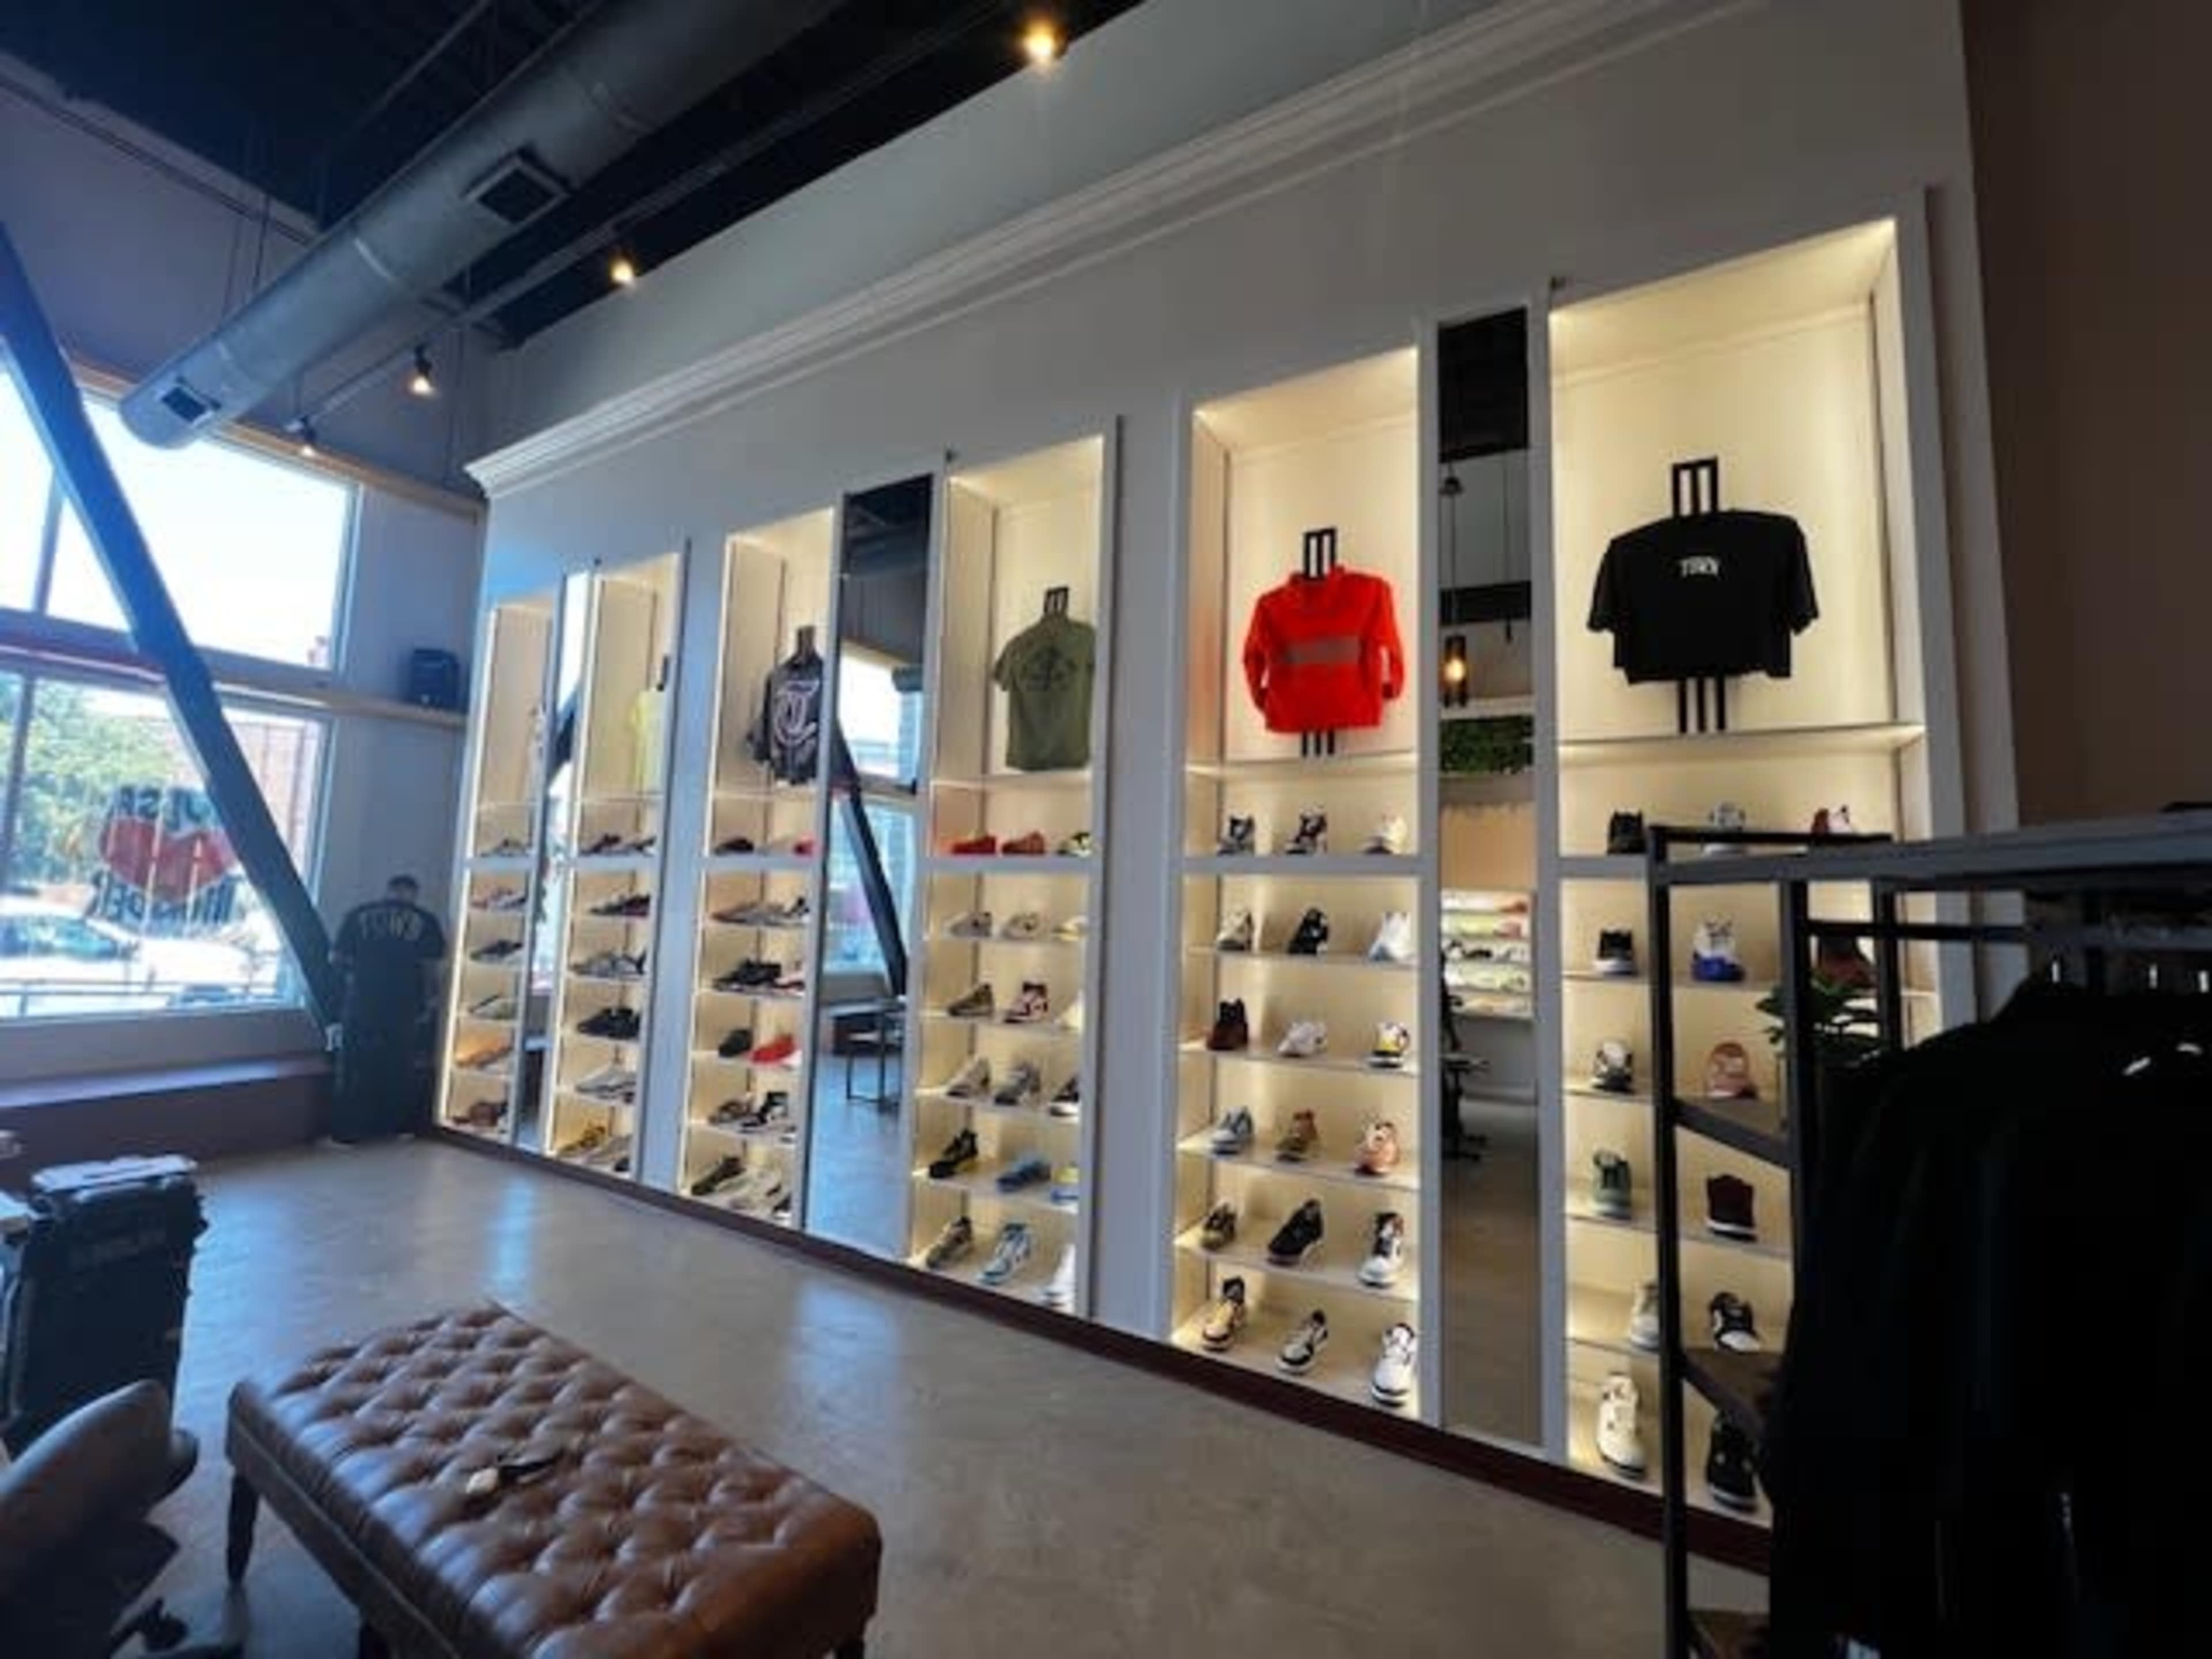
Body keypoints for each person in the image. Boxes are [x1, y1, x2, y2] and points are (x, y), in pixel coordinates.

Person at [329, 875, 447, 1142]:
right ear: (414, 894)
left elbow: (337, 958)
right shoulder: (426, 920)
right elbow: (431, 965)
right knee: (398, 1065)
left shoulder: (358, 914)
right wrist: (430, 999)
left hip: (362, 1000)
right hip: (403, 1002)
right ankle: (394, 1127)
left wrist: (356, 980)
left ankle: (346, 1132)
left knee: (353, 1065)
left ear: (387, 891)